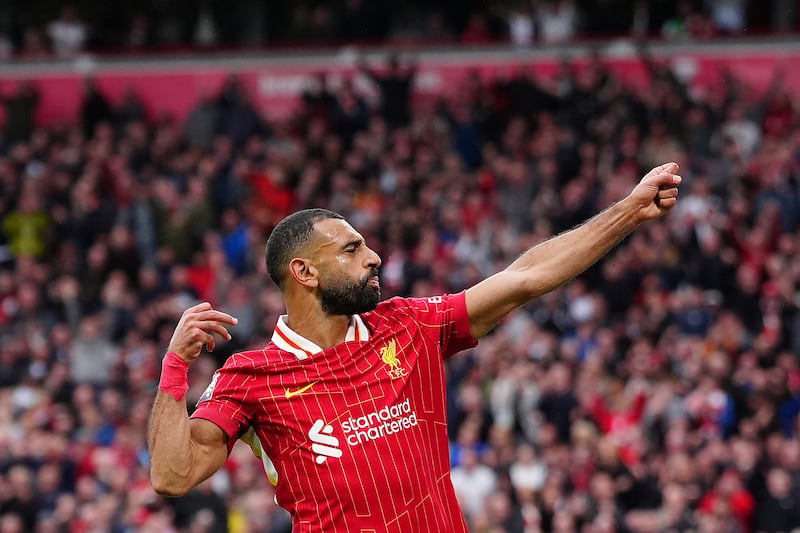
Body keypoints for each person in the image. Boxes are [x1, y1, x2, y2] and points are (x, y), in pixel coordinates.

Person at [148, 162, 682, 532]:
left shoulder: (408, 326)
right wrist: (175, 369)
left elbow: (525, 277)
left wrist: (628, 212)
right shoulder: (252, 376)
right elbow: (172, 475)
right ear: (304, 272)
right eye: (353, 249)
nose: (374, 257)